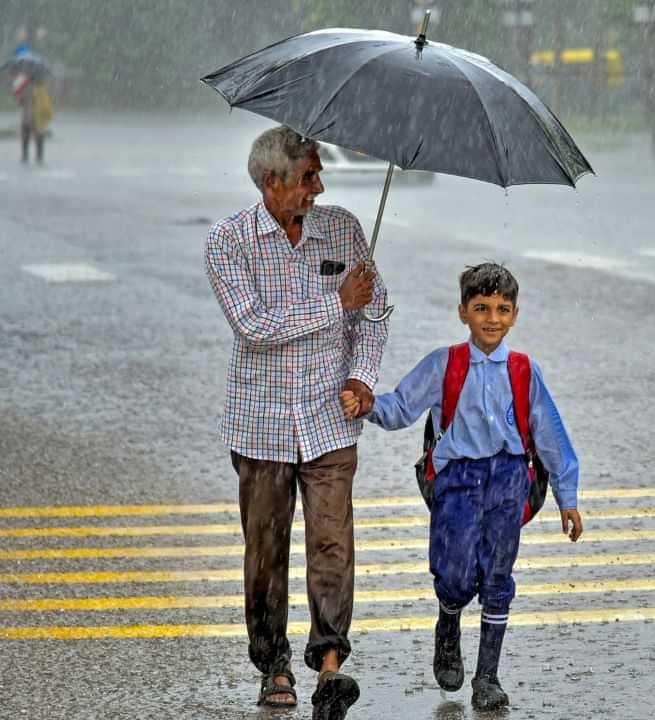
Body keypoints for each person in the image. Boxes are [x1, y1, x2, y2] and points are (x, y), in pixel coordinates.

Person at [204, 125, 388, 719]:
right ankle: (273, 663)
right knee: (265, 550)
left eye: (317, 173)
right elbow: (253, 326)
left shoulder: (344, 228)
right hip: (260, 427)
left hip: (331, 421)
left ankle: (330, 664)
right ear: (271, 182)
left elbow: (376, 316)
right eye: (309, 175)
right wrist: (336, 303)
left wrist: (362, 377)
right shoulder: (228, 242)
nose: (319, 185)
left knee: (333, 541)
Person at [341, 262, 583, 711]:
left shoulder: (524, 371)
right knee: (453, 574)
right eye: (481, 308)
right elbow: (401, 407)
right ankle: (448, 619)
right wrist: (369, 404)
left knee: (497, 575)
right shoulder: (444, 364)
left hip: (509, 480)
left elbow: (550, 435)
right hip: (456, 482)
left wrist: (567, 498)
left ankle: (487, 677)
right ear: (462, 312)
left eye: (502, 309)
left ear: (514, 315)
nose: (492, 318)